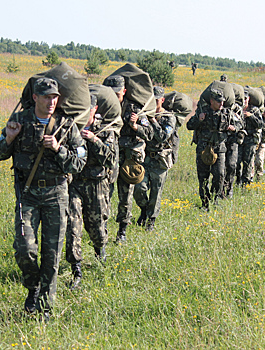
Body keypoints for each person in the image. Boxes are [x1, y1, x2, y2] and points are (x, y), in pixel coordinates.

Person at [0, 77, 87, 319]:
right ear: (35, 97)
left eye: (55, 97)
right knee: (24, 249)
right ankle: (33, 287)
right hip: (27, 195)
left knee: (52, 254)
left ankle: (46, 308)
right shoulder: (20, 121)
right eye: (46, 97)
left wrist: (58, 148)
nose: (51, 101)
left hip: (56, 195)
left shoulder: (67, 126)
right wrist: (10, 138)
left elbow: (79, 163)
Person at [66, 93, 119, 290]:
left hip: (97, 184)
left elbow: (111, 159)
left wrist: (95, 140)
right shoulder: (72, 128)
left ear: (94, 109)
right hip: (76, 183)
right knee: (73, 226)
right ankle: (76, 270)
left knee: (97, 227)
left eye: (87, 110)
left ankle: (100, 253)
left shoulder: (105, 130)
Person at [105, 75, 154, 243]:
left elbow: (149, 133)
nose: (114, 98)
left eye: (117, 95)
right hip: (108, 159)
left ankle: (122, 232)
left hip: (128, 161)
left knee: (126, 197)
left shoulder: (134, 109)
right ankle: (101, 231)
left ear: (124, 92)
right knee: (104, 195)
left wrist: (135, 126)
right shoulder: (103, 108)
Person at [134, 86, 177, 231]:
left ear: (162, 100)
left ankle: (151, 220)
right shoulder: (145, 116)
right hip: (145, 158)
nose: (153, 103)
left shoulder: (169, 118)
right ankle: (144, 210)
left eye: (156, 100)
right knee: (139, 188)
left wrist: (152, 120)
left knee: (156, 192)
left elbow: (163, 137)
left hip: (160, 160)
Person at [186, 88, 234, 210]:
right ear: (212, 101)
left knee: (219, 175)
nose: (221, 104)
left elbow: (239, 124)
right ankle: (205, 203)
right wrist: (199, 119)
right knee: (203, 178)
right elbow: (189, 125)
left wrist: (234, 128)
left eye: (222, 101)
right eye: (218, 101)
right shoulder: (202, 112)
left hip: (220, 149)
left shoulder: (227, 113)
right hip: (203, 149)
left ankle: (216, 199)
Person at [236, 89, 263, 185]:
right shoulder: (237, 110)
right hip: (239, 140)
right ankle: (237, 182)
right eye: (242, 99)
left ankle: (246, 184)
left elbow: (260, 124)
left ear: (249, 99)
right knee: (237, 162)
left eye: (246, 99)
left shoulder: (254, 110)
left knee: (248, 163)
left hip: (250, 140)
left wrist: (251, 116)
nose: (244, 101)